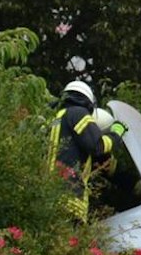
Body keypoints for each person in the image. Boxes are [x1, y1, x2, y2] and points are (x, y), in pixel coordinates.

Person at [48, 80, 125, 221]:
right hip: (68, 200)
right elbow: (97, 146)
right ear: (89, 103)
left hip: (46, 197)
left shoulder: (55, 120)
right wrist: (116, 135)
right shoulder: (78, 113)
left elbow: (100, 163)